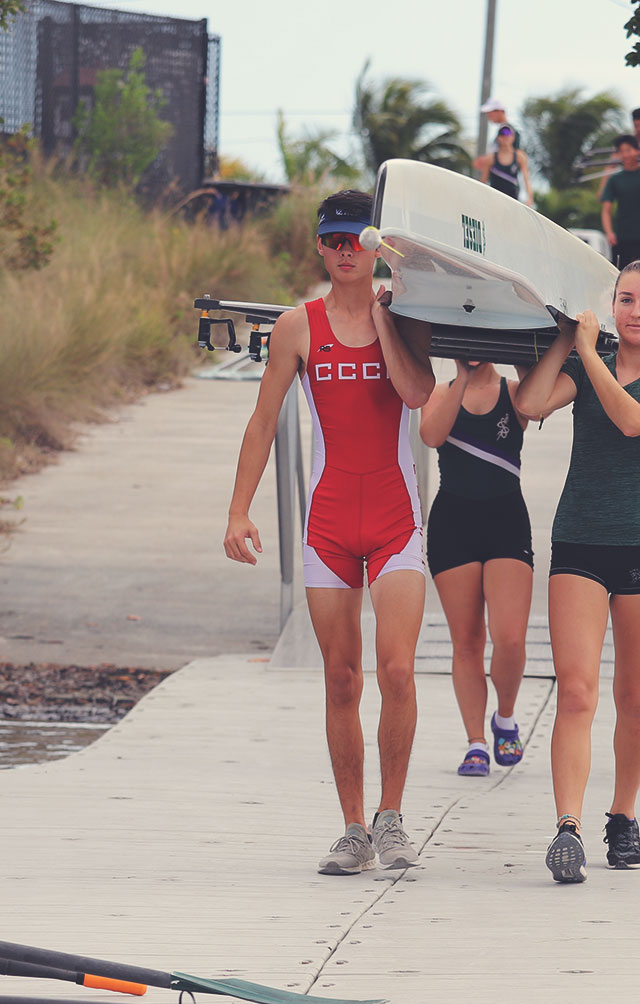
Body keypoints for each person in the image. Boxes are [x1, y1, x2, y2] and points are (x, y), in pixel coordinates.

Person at [223, 189, 435, 876]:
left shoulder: (403, 315)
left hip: (397, 518)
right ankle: (353, 827)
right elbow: (262, 422)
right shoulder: (297, 326)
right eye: (334, 241)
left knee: (397, 669)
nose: (346, 251)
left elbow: (417, 394)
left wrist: (383, 319)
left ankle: (393, 815)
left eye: (357, 241)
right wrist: (238, 509)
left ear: (375, 247)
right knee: (342, 679)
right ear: (320, 246)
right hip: (331, 523)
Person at [514, 256, 640, 883]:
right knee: (575, 691)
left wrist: (590, 353)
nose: (636, 313)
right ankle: (567, 826)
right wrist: (570, 339)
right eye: (626, 300)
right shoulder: (581, 360)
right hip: (581, 543)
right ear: (612, 303)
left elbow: (632, 419)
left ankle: (621, 815)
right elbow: (530, 404)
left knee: (633, 695)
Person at [419, 360, 535, 777]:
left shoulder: (517, 391)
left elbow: (541, 405)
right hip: (453, 524)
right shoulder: (439, 392)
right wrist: (462, 379)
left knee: (510, 638)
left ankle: (505, 717)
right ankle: (476, 743)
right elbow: (431, 435)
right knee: (466, 639)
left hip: (506, 521)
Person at [601, 135, 640, 268]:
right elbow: (606, 209)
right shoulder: (615, 179)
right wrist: (609, 232)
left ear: (637, 151)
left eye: (628, 150)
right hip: (622, 237)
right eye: (621, 151)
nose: (625, 155)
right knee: (620, 273)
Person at [476, 125, 534, 205]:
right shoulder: (490, 158)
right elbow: (483, 181)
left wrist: (530, 198)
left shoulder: (520, 157)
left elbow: (526, 179)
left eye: (508, 133)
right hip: (494, 198)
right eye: (502, 134)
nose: (505, 137)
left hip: (513, 199)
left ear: (513, 137)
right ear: (498, 138)